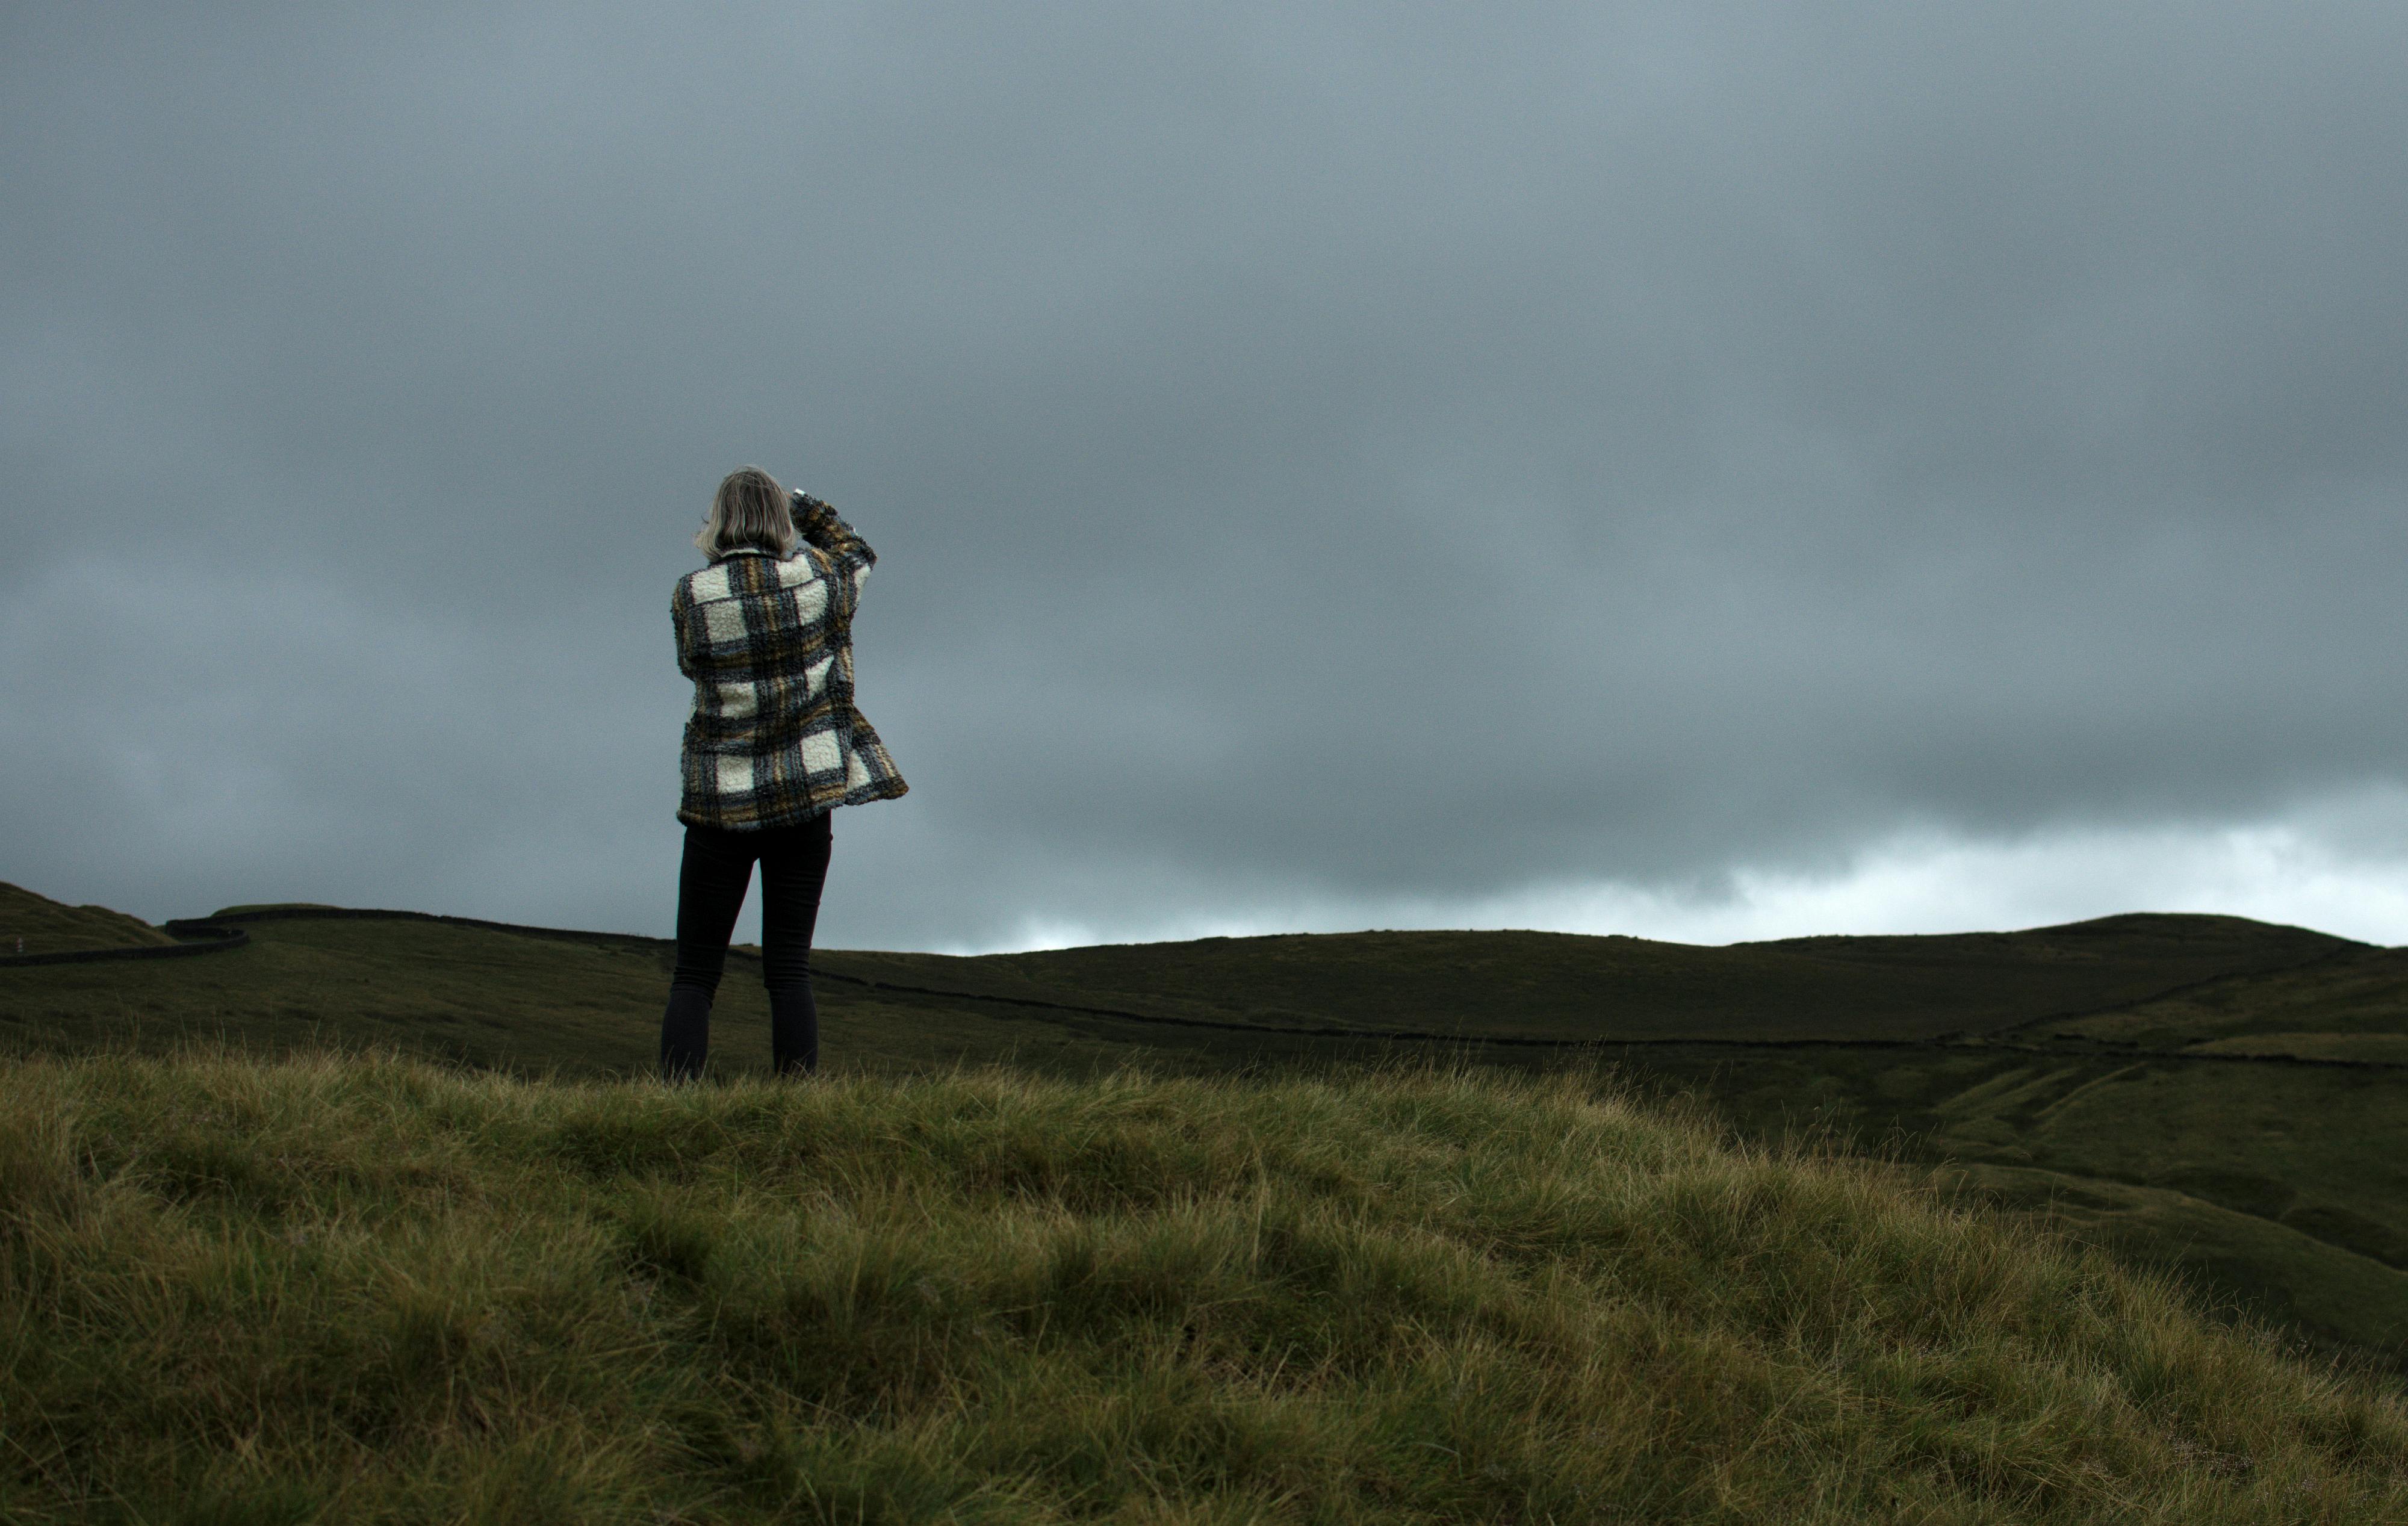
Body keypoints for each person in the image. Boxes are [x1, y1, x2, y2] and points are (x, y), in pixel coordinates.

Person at [657, 465, 908, 1079]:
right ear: (778, 521)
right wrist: (806, 506)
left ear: (718, 522)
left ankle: (674, 1104)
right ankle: (795, 1105)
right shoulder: (821, 581)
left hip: (720, 801)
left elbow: (691, 665)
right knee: (788, 968)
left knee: (695, 973)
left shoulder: (693, 594)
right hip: (805, 798)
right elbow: (858, 552)